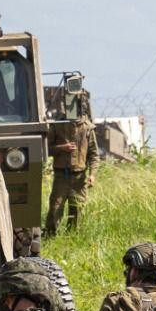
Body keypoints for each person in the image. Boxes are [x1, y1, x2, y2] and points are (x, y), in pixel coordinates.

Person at [43, 86, 96, 238]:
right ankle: (50, 237)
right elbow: (45, 150)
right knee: (55, 209)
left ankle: (72, 239)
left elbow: (94, 155)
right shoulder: (58, 125)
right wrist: (62, 148)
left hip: (79, 178)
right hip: (62, 176)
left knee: (77, 211)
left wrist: (92, 174)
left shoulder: (87, 128)